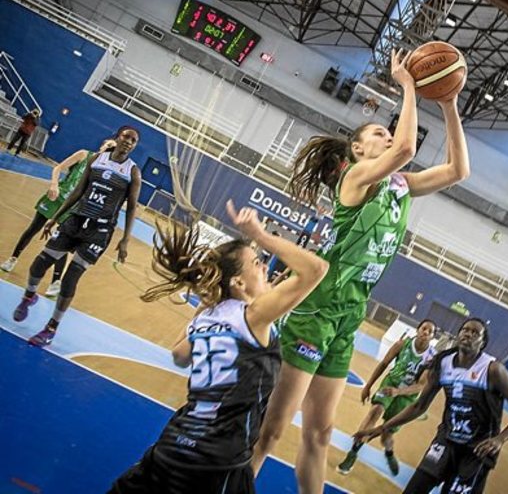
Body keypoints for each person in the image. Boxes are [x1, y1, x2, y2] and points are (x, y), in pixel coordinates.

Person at [251, 48, 470, 493]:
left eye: (387, 132)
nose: (388, 137)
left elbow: (458, 171)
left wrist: (449, 104)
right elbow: (406, 148)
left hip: (349, 316)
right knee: (272, 431)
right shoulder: (354, 180)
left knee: (320, 433)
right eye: (378, 132)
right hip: (317, 310)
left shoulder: (401, 186)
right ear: (357, 150)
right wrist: (408, 85)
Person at [109, 204, 328, 494]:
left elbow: (179, 356)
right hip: (217, 465)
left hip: (171, 449)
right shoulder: (254, 316)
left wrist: (204, 307)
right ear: (238, 282)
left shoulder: (207, 316)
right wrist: (260, 235)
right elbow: (316, 269)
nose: (265, 267)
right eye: (257, 263)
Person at [355, 318, 508, 494]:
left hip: (477, 449)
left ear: (482, 342)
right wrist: (383, 427)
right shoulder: (443, 364)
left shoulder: (493, 370)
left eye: (475, 332)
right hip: (446, 439)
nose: (468, 334)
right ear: (458, 334)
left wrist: (500, 439)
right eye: (465, 330)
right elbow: (419, 406)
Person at [11, 126, 141, 346]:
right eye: (126, 137)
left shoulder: (133, 172)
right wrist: (56, 217)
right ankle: (28, 297)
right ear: (117, 138)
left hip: (99, 231)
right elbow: (79, 191)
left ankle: (51, 328)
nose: (129, 141)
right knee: (40, 263)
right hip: (76, 220)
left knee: (71, 277)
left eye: (134, 140)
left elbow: (131, 208)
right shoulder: (96, 160)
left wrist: (125, 239)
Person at [1, 139, 116, 297]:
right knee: (33, 228)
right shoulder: (84, 155)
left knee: (61, 242)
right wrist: (54, 184)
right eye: (109, 146)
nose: (109, 149)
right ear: (102, 145)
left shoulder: (104, 171)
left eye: (113, 149)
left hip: (71, 207)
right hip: (56, 197)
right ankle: (13, 258)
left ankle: (55, 282)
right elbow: (58, 168)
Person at [337, 319, 437, 476]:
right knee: (375, 412)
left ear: (432, 337)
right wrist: (368, 386)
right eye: (424, 328)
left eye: (430, 331)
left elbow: (420, 386)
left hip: (407, 395)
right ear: (417, 330)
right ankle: (352, 454)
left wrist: (398, 392)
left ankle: (389, 453)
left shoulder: (431, 358)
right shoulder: (402, 345)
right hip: (390, 384)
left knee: (387, 435)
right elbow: (383, 363)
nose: (426, 332)